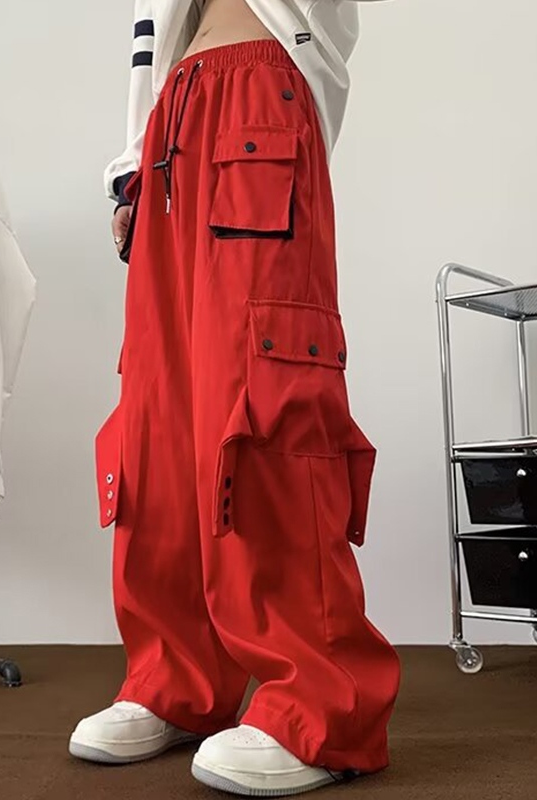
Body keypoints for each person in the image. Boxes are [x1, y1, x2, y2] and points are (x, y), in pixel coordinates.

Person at [69, 1, 401, 796]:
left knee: (268, 390)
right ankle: (175, 679)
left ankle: (323, 703)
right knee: (160, 411)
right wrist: (132, 163)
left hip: (260, 90)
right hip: (172, 119)